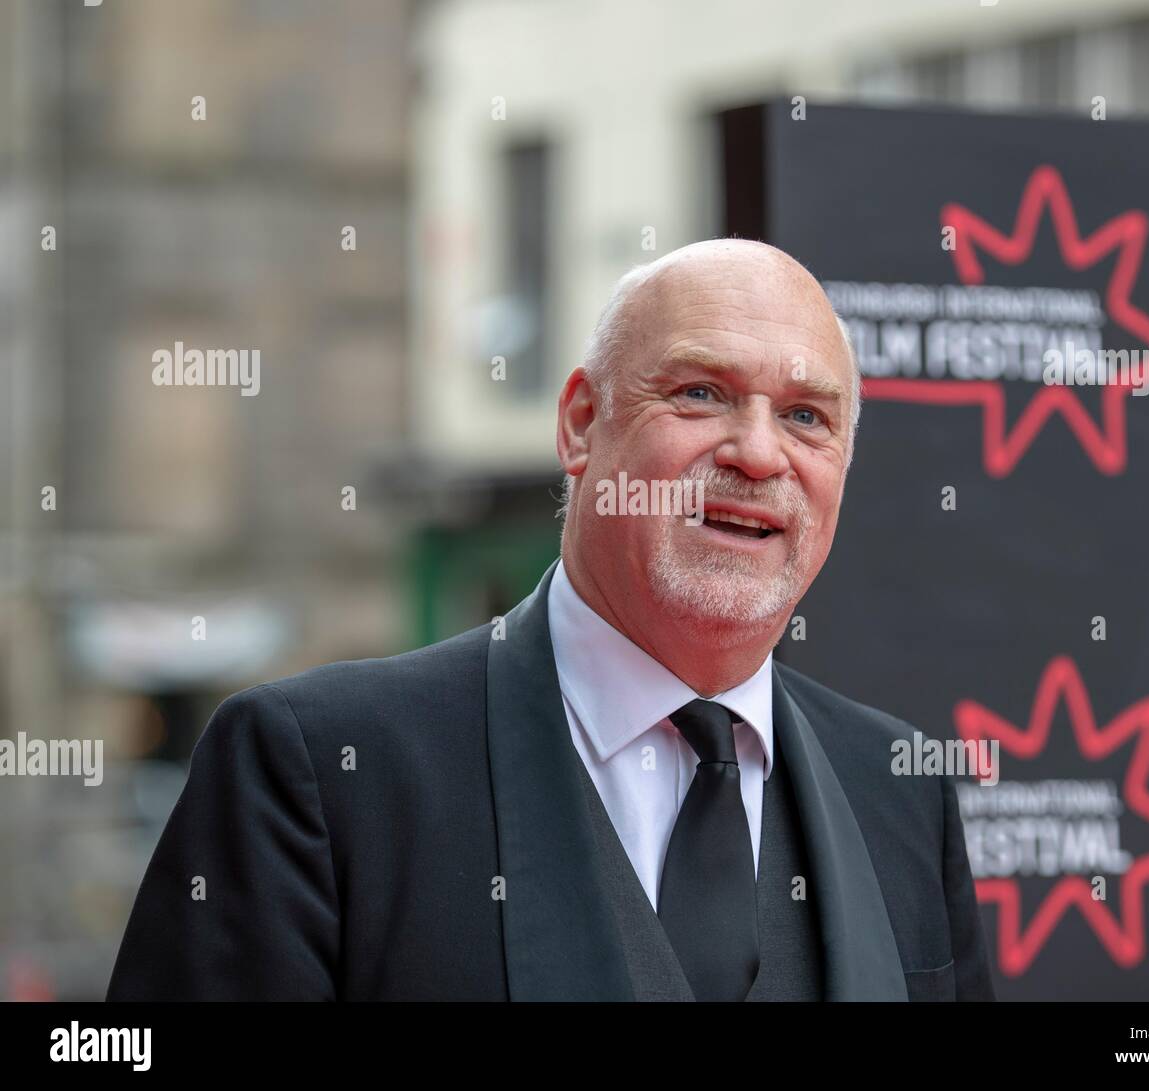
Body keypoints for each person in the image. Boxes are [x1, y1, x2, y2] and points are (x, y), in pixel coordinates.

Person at [107, 239, 994, 1001]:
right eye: (699, 394)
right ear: (580, 425)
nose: (758, 453)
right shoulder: (317, 774)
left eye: (806, 416)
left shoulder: (899, 793)